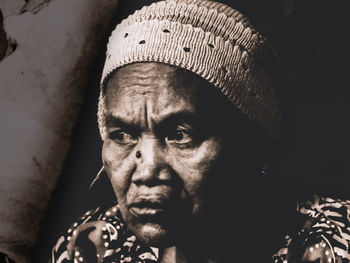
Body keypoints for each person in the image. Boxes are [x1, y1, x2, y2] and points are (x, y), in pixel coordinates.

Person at [50, 0, 350, 262]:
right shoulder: (94, 247)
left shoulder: (330, 246)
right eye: (122, 135)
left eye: (180, 134)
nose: (146, 171)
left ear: (252, 143)